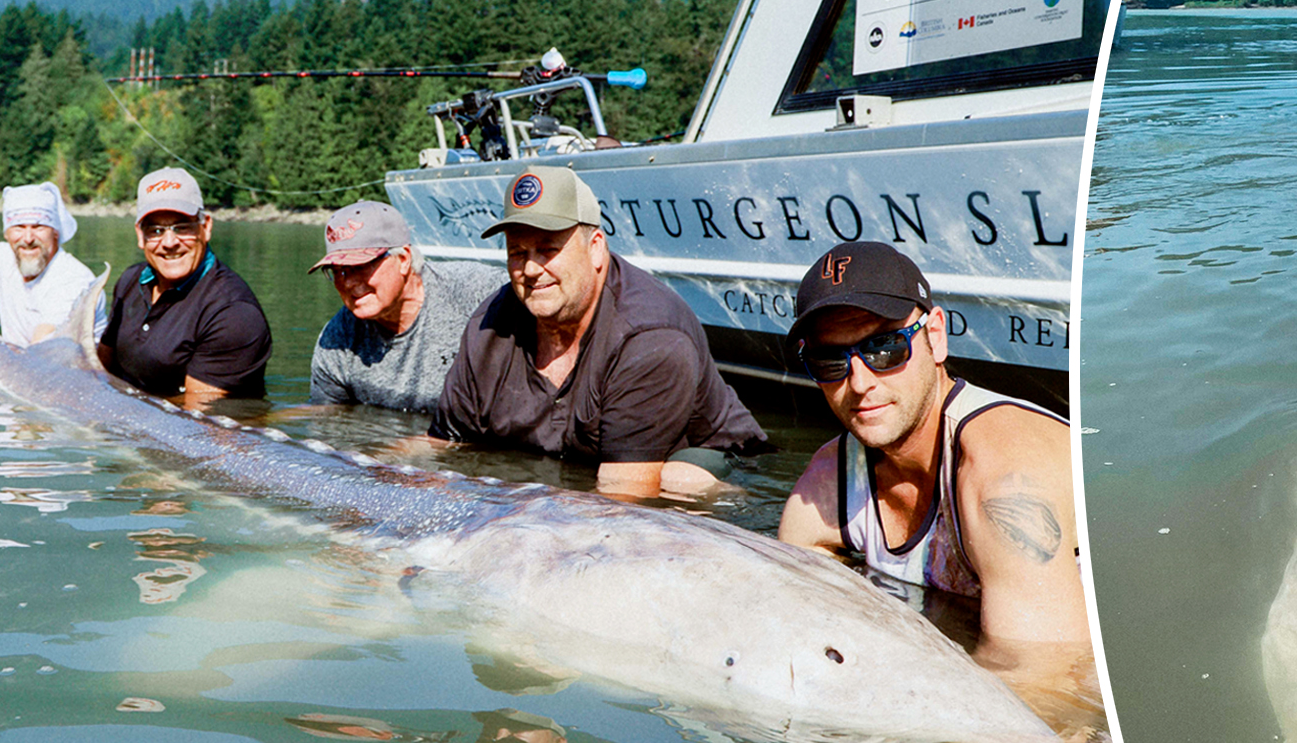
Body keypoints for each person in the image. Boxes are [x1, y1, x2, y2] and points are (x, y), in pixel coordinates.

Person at [776, 241, 1088, 649]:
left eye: (884, 347)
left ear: (935, 336)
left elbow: (1046, 683)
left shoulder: (1006, 476)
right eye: (829, 361)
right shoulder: (823, 489)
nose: (860, 383)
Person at [428, 165, 765, 497]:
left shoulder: (650, 337)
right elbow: (443, 443)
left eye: (548, 249)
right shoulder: (489, 323)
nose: (530, 269)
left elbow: (624, 495)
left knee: (680, 481)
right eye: (517, 252)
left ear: (596, 248)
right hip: (579, 469)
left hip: (703, 462)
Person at [97, 166, 272, 409]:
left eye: (182, 227)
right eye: (156, 230)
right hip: (128, 423)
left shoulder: (234, 314)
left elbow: (197, 419)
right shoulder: (129, 281)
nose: (169, 243)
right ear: (140, 235)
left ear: (206, 226)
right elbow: (99, 369)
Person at [307, 200, 504, 414]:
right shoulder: (336, 340)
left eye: (360, 266)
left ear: (403, 259)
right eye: (337, 271)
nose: (348, 283)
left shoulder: (479, 293)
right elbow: (327, 424)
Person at [0, 169, 105, 346]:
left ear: (55, 232)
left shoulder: (73, 280)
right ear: (6, 234)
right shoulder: (2, 259)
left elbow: (43, 353)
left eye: (38, 227)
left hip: (64, 369)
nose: (28, 239)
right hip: (25, 365)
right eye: (19, 227)